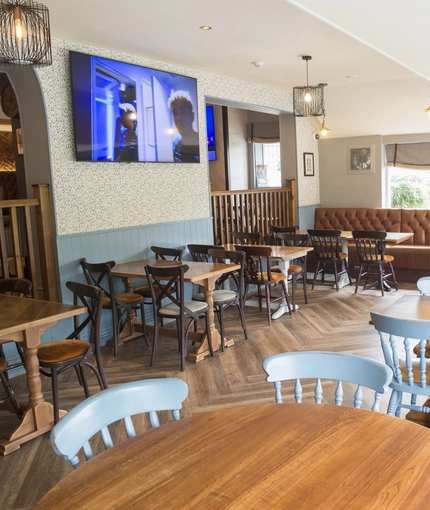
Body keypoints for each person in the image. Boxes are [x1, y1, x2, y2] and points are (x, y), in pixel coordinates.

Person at [167, 90, 200, 162]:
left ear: (192, 116)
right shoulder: (175, 143)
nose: (178, 118)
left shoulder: (202, 142)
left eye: (183, 111)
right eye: (175, 113)